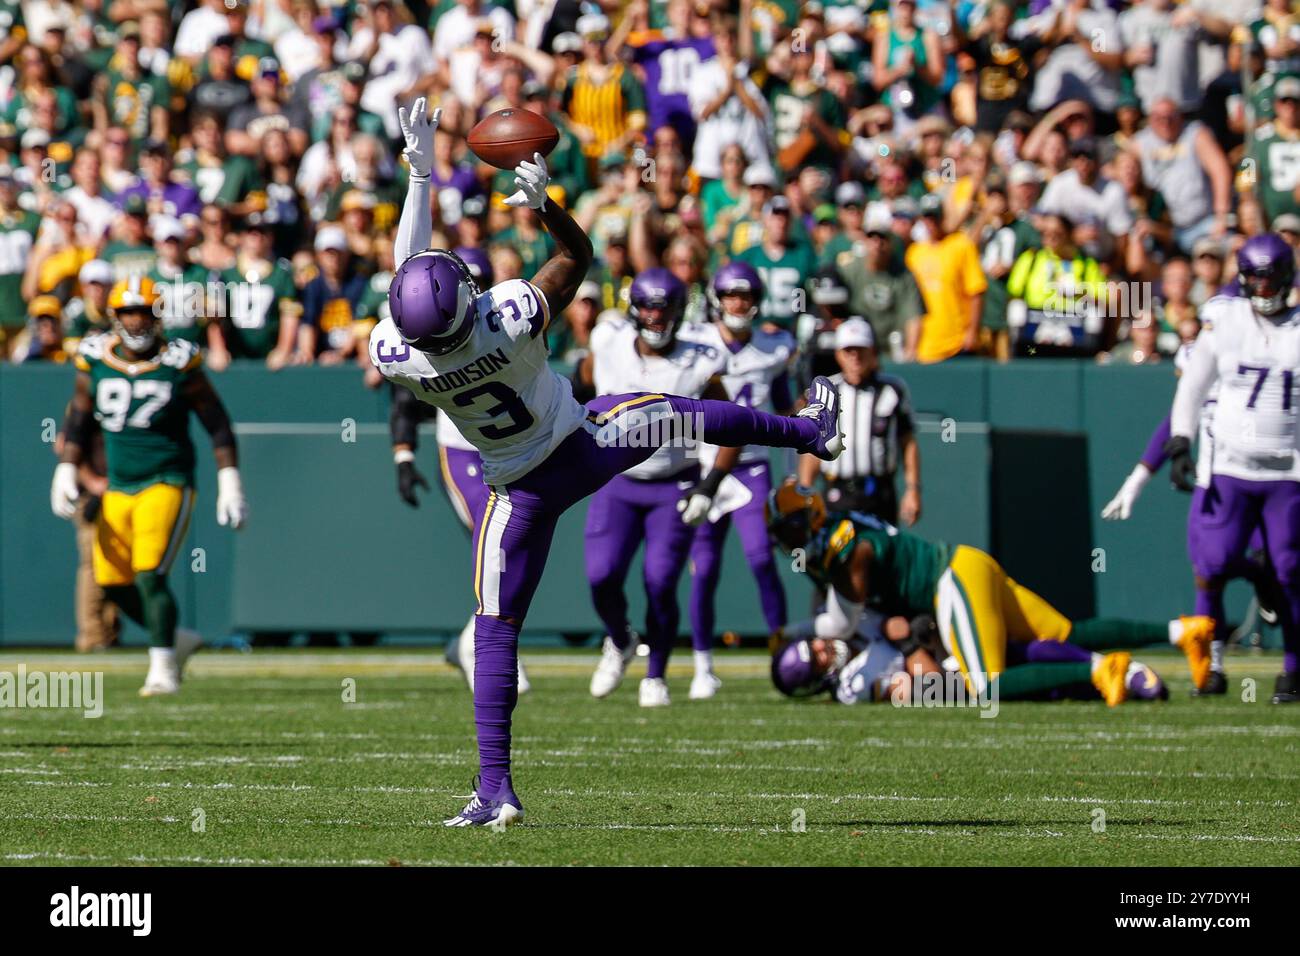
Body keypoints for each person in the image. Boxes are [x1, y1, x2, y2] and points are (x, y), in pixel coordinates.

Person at [369, 99, 844, 827]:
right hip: (582, 447)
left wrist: (421, 180)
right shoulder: (506, 317)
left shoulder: (400, 357)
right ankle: (808, 432)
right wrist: (549, 208)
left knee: (495, 627)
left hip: (515, 489)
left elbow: (412, 275)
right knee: (683, 410)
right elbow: (576, 260)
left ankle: (495, 789)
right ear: (471, 306)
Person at [765, 479, 1215, 706]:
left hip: (950, 583)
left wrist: (794, 628)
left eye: (787, 534)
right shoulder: (840, 533)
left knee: (984, 686)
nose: (787, 546)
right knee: (1065, 633)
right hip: (967, 564)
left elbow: (842, 622)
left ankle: (1101, 674)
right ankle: (1181, 631)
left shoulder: (845, 551)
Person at [49, 276, 249, 696]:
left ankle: (163, 668)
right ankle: (176, 639)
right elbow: (79, 419)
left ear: (157, 315)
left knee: (149, 574)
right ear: (114, 316)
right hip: (117, 486)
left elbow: (217, 423)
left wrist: (229, 480)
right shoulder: (94, 357)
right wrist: (67, 468)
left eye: (143, 312)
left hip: (167, 479)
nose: (136, 322)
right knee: (110, 581)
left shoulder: (178, 360)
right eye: (128, 312)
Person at [574, 268, 729, 707]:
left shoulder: (701, 360)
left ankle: (656, 673)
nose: (656, 318)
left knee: (660, 581)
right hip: (615, 482)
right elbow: (578, 380)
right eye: (648, 307)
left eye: (664, 309)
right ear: (634, 310)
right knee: (602, 576)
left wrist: (710, 484)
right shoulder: (608, 345)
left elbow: (731, 424)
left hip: (674, 485)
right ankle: (620, 639)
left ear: (680, 312)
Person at [1166, 233, 1300, 703]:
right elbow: (1193, 385)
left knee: (1290, 570)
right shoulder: (1224, 323)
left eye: (1271, 282)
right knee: (1215, 562)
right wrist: (1181, 440)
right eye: (1255, 282)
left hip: (1288, 471)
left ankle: (1294, 668)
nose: (1263, 291)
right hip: (1229, 467)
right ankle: (1215, 662)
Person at [683, 261, 796, 700]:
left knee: (761, 559)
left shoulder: (775, 347)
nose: (738, 302)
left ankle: (782, 653)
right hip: (702, 463)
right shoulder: (697, 342)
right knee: (704, 568)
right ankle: (701, 665)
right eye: (731, 294)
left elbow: (787, 404)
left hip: (751, 465)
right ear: (717, 299)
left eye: (746, 295)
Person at [798, 318, 920, 524]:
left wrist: (913, 490)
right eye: (849, 351)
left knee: (881, 552)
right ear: (838, 354)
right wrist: (804, 491)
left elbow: (907, 442)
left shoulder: (892, 390)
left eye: (860, 350)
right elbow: (812, 448)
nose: (855, 357)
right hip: (837, 491)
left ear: (872, 352)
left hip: (879, 492)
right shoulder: (826, 392)